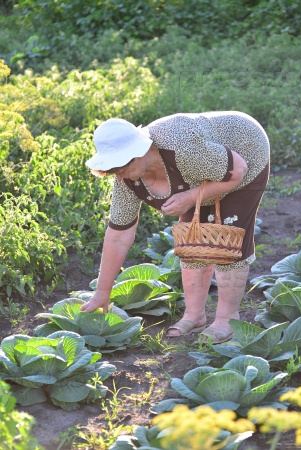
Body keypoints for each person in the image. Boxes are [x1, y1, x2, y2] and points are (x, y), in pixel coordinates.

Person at [80, 112, 270, 343]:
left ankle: (226, 319)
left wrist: (190, 197)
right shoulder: (126, 179)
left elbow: (237, 170)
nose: (118, 177)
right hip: (204, 171)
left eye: (119, 166)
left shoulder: (180, 147)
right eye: (111, 170)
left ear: (138, 152)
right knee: (192, 244)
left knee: (227, 240)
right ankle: (194, 316)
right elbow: (118, 235)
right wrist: (102, 292)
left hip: (246, 152)